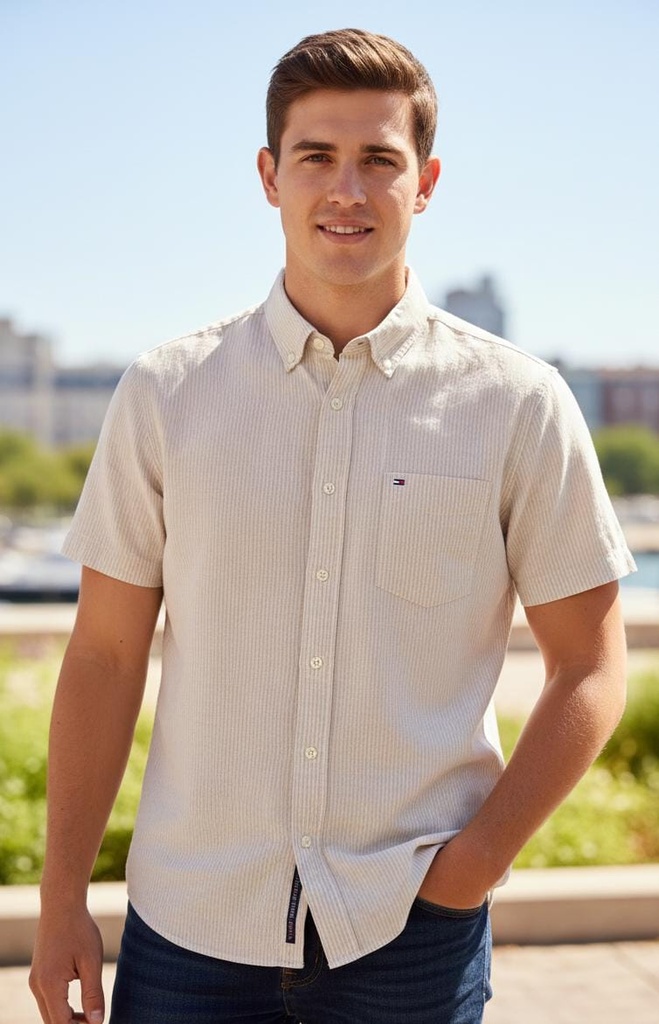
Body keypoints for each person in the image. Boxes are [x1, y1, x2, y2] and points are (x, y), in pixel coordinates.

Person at [30, 27, 635, 1024]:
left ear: (425, 181)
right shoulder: (167, 392)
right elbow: (102, 654)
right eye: (315, 156)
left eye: (378, 160)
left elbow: (588, 665)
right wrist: (61, 902)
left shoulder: (515, 401)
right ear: (269, 177)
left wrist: (472, 865)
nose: (344, 188)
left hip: (409, 934)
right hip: (189, 930)